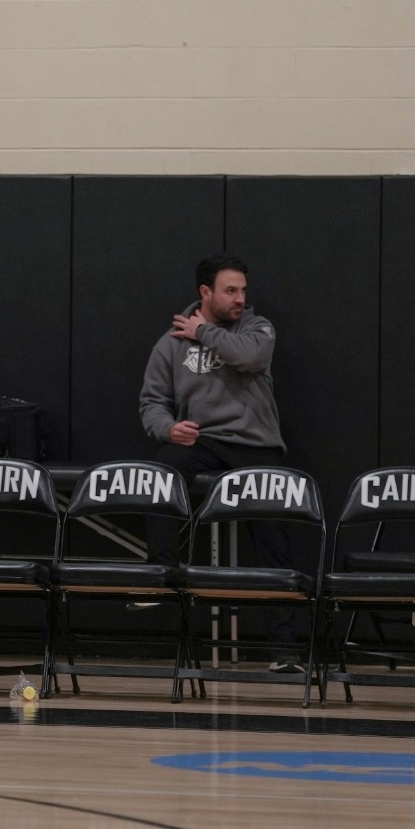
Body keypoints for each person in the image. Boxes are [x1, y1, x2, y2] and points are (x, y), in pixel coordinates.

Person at [138, 253, 304, 666]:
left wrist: (205, 331)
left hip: (256, 445)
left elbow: (251, 358)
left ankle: (283, 648)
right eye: (230, 290)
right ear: (205, 292)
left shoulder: (256, 327)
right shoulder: (171, 342)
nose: (239, 298)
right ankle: (158, 577)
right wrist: (168, 428)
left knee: (273, 539)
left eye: (243, 290)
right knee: (161, 470)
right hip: (204, 442)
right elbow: (151, 403)